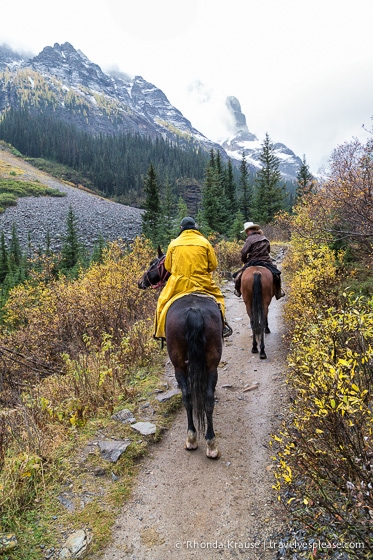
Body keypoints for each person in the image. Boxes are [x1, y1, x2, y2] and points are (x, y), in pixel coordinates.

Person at [154, 217, 232, 339]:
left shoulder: (173, 243)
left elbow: (168, 266)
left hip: (178, 284)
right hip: (202, 282)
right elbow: (213, 265)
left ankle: (161, 333)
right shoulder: (205, 242)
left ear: (181, 228)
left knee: (162, 302)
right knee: (219, 299)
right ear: (195, 227)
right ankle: (223, 325)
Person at [233, 221, 285, 299]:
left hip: (252, 261)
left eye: (246, 231)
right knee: (277, 275)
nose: (246, 233)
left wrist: (244, 260)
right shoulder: (265, 238)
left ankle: (238, 291)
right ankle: (278, 292)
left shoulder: (249, 239)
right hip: (266, 261)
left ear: (248, 230)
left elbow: (244, 252)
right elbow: (268, 251)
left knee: (237, 276)